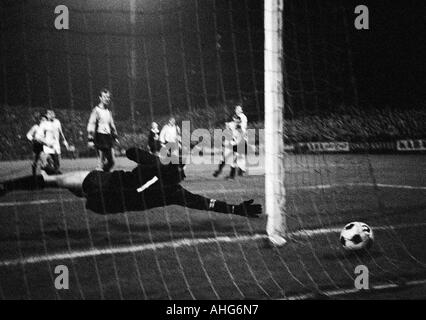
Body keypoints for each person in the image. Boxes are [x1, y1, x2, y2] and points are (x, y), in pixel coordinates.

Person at [0, 147, 261, 218]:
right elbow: (205, 203)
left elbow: (130, 152)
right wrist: (237, 209)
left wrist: (155, 158)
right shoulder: (174, 193)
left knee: (53, 180)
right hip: (108, 205)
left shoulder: (154, 165)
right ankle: (53, 175)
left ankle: (7, 186)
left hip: (103, 181)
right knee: (74, 190)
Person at [87, 88, 118, 172]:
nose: (107, 99)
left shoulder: (108, 111)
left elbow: (112, 124)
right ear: (100, 98)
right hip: (100, 136)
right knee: (101, 161)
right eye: (104, 97)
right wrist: (90, 139)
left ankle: (102, 174)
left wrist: (115, 135)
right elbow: (91, 124)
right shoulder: (96, 110)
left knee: (112, 162)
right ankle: (98, 178)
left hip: (108, 137)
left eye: (108, 97)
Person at [40, 110, 69, 175]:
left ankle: (56, 173)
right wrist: (45, 142)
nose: (52, 115)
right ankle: (45, 173)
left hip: (56, 145)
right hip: (48, 145)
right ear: (47, 115)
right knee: (46, 161)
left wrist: (65, 141)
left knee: (57, 162)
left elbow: (61, 132)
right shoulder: (44, 123)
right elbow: (40, 135)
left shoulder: (57, 122)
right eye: (49, 114)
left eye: (52, 114)